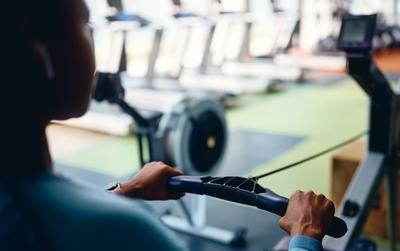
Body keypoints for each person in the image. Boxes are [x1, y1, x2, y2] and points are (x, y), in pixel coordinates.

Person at [0, 0, 335, 250]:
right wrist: (305, 236)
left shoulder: (26, 206)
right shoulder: (123, 231)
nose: (91, 41)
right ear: (40, 60)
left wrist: (127, 192)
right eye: (84, 24)